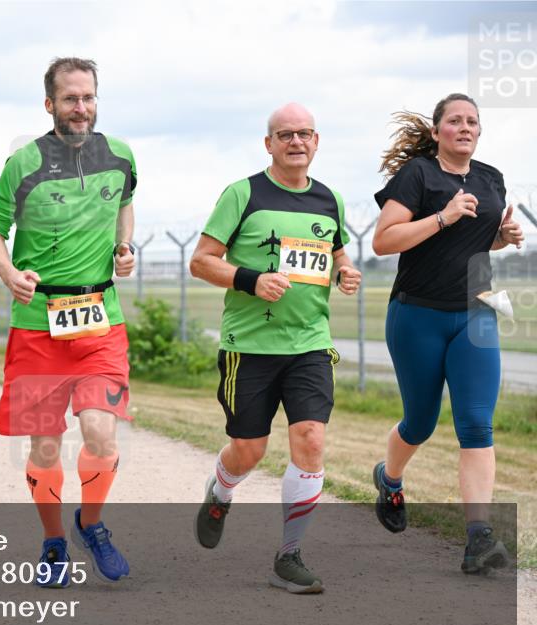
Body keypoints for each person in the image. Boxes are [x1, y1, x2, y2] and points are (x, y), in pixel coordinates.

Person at [188, 103, 362, 594]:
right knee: (250, 449)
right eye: (285, 134)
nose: (296, 142)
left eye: (304, 133)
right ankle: (221, 491)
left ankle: (289, 555)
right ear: (269, 144)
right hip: (250, 346)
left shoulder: (331, 199)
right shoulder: (243, 193)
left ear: (317, 141)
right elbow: (201, 262)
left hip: (310, 342)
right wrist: (251, 279)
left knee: (310, 438)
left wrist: (345, 270)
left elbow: (337, 252)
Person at [0, 57, 137, 587]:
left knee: (99, 433)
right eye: (71, 98)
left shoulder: (120, 156)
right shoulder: (21, 164)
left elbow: (126, 203)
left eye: (89, 97)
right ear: (49, 104)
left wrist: (123, 245)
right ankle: (53, 543)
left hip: (99, 322)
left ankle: (90, 524)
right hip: (36, 324)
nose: (81, 107)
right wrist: (8, 274)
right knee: (45, 447)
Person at [371, 93, 522, 574]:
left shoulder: (490, 178)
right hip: (418, 314)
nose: (465, 127)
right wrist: (443, 215)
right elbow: (383, 240)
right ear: (437, 132)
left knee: (476, 423)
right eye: (454, 121)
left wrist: (504, 238)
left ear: (479, 131)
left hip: (477, 312)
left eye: (472, 121)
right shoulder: (419, 175)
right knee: (420, 420)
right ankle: (390, 478)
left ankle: (479, 536)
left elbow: (479, 240)